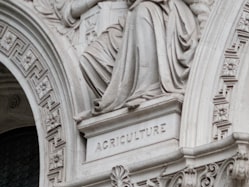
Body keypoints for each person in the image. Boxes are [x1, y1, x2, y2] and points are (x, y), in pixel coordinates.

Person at [37, 0, 200, 114]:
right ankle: (117, 101)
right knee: (91, 58)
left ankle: (147, 91)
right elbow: (68, 10)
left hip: (163, 13)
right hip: (129, 19)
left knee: (143, 11)